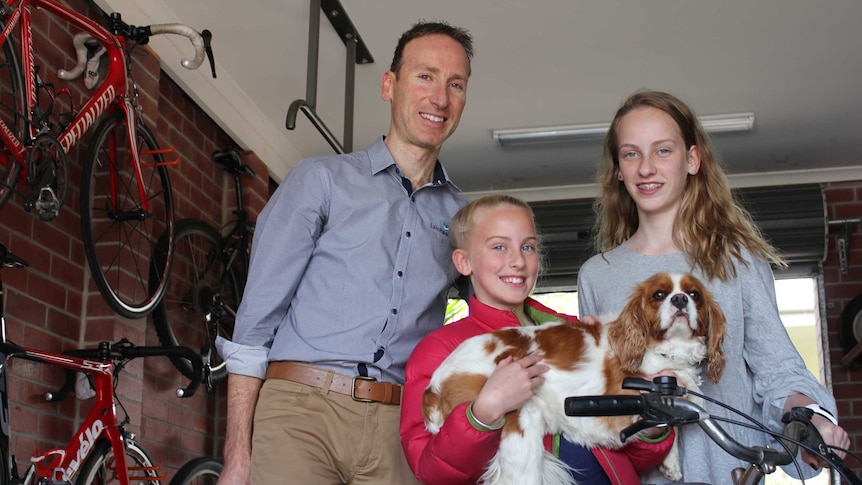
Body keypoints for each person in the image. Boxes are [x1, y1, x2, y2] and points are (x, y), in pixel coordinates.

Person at [215, 21, 474, 485]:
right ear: (389, 85)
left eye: (456, 84)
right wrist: (237, 455)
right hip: (301, 411)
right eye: (425, 76)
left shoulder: (465, 218)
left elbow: (495, 314)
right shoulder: (320, 180)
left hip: (402, 427)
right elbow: (254, 327)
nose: (440, 98)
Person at [577, 90, 851, 483]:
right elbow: (602, 396)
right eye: (632, 154)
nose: (646, 168)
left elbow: (778, 371)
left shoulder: (736, 262)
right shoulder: (597, 275)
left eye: (663, 151)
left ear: (692, 159)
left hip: (732, 474)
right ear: (618, 169)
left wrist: (809, 419)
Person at [400, 195, 674, 485]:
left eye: (527, 247)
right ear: (464, 261)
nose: (517, 261)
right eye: (499, 247)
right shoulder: (441, 349)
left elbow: (630, 456)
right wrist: (483, 412)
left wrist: (652, 419)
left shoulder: (576, 333)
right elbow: (432, 471)